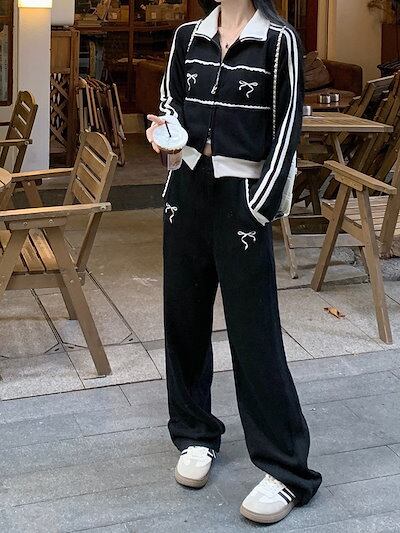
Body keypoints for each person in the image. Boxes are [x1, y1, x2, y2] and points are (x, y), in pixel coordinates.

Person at [146, 0, 322, 525]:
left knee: (254, 333)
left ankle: (287, 469)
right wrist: (166, 132)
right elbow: (170, 101)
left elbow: (287, 129)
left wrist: (259, 205)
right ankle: (195, 433)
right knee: (183, 319)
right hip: (185, 193)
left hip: (242, 197)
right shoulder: (187, 36)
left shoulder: (280, 41)